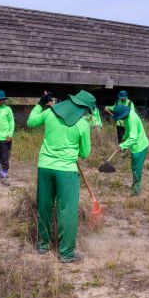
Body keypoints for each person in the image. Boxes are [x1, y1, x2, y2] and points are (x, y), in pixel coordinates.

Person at [27, 89, 96, 263]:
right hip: (66, 171)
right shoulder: (82, 125)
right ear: (83, 109)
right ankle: (66, 253)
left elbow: (30, 122)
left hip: (44, 167)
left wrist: (40, 103)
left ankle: (43, 246)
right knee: (67, 211)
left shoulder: (49, 113)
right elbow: (85, 153)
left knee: (44, 206)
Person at [112, 104, 149, 196]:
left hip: (140, 146)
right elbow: (128, 131)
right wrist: (124, 139)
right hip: (135, 147)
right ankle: (135, 185)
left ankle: (137, 190)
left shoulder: (131, 119)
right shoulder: (127, 117)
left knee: (137, 169)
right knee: (134, 167)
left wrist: (122, 146)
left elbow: (133, 138)